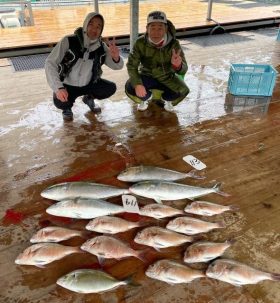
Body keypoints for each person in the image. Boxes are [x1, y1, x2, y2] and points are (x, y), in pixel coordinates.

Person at [45, 12, 124, 121]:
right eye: (91, 24)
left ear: (101, 30)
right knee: (60, 102)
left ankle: (88, 98)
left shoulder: (102, 47)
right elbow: (50, 63)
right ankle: (67, 108)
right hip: (68, 85)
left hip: (89, 84)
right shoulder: (69, 41)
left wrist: (116, 58)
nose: (94, 29)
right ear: (85, 25)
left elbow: (117, 66)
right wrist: (58, 88)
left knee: (110, 88)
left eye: (98, 26)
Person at [125, 11, 189, 112]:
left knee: (183, 90)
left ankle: (167, 99)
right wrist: (137, 84)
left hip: (167, 76)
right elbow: (131, 65)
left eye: (160, 28)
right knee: (130, 86)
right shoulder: (140, 42)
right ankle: (145, 98)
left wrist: (178, 65)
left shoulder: (174, 44)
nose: (156, 32)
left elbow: (183, 70)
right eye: (152, 28)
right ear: (147, 29)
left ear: (166, 29)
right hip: (147, 75)